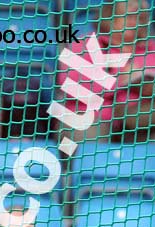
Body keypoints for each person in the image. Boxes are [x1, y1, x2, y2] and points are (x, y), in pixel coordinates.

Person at [57, 0, 155, 142]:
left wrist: (147, 88)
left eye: (139, 17)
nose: (133, 22)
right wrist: (120, 81)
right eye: (127, 16)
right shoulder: (84, 43)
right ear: (110, 16)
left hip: (137, 114)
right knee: (88, 140)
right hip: (88, 115)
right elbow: (68, 84)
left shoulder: (150, 48)